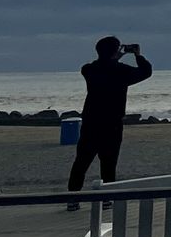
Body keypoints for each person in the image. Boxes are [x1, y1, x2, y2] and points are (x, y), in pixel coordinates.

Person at [66, 37, 154, 208]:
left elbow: (95, 67)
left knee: (81, 161)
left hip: (91, 121)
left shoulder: (90, 70)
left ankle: (72, 198)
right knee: (109, 162)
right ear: (116, 51)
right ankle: (107, 198)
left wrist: (113, 57)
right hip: (112, 122)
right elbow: (146, 72)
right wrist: (137, 55)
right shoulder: (121, 71)